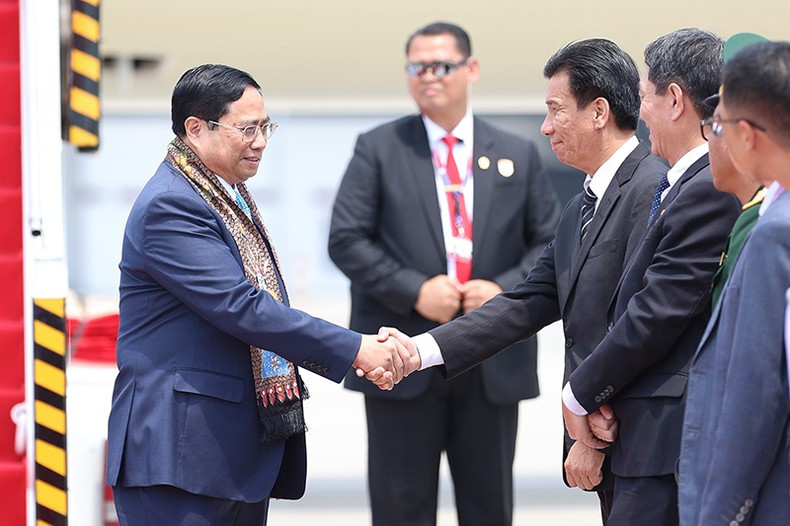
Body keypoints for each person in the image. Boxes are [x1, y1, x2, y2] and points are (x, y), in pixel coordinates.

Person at [392, 28, 741, 526]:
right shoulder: (582, 205)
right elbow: (527, 302)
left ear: (598, 112)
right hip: (613, 436)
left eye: (556, 110)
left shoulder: (653, 188)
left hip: (639, 433)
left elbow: (646, 319)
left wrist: (587, 415)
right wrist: (419, 351)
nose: (545, 127)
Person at [105, 64, 413, 526]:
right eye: (246, 128)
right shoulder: (172, 204)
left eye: (266, 126)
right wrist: (357, 348)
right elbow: (242, 308)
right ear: (196, 128)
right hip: (180, 451)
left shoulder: (224, 195)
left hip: (227, 451)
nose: (261, 141)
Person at [328, 22, 561, 526]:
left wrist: (503, 290)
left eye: (442, 65)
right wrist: (415, 289)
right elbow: (346, 240)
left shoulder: (517, 153)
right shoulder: (379, 148)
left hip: (490, 357)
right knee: (399, 507)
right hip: (399, 355)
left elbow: (551, 241)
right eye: (417, 67)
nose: (428, 76)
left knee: (489, 506)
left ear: (471, 69)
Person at [679, 40, 790, 525]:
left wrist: (720, 514)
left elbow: (755, 399)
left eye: (716, 126)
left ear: (746, 134)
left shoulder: (776, 235)